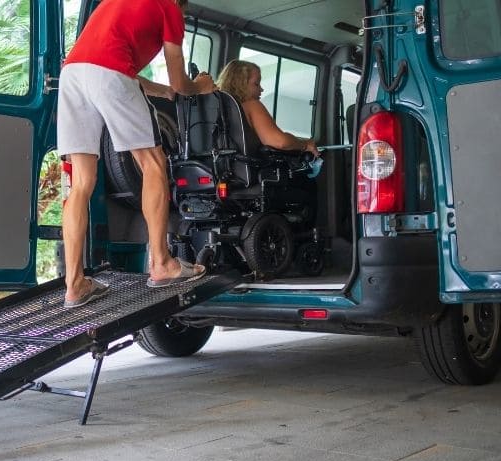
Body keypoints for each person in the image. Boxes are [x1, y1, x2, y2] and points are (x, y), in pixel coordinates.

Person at [58, 0, 218, 308]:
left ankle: (74, 283)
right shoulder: (168, 7)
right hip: (109, 73)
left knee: (81, 183)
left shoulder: (114, 4)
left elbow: (107, 65)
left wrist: (160, 91)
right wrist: (201, 86)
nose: (183, 16)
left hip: (73, 75)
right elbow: (180, 83)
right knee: (153, 163)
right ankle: (161, 263)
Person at [216, 60, 319, 156]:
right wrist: (305, 144)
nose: (261, 89)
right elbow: (280, 142)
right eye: (256, 84)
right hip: (245, 172)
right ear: (240, 84)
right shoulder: (250, 104)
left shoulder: (217, 105)